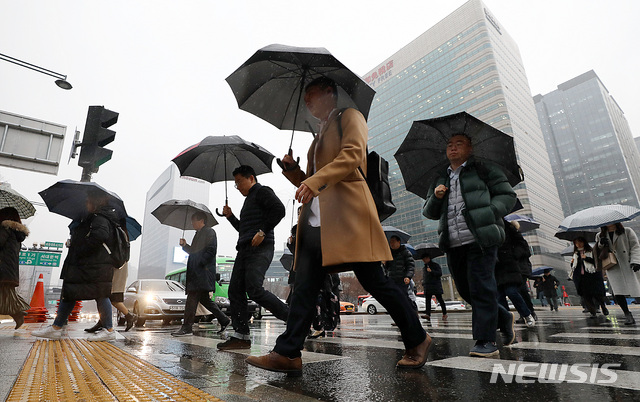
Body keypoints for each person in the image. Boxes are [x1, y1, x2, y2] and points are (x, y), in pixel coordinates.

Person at [246, 77, 430, 375]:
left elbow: (352, 156)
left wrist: (315, 179)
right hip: (318, 221)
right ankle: (288, 353)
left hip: (347, 216)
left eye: (312, 94)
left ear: (330, 93)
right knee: (304, 286)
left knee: (375, 282)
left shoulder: (350, 116)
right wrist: (294, 171)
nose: (307, 101)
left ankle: (418, 338)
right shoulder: (317, 134)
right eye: (305, 97)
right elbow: (312, 179)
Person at [423, 133, 517, 358]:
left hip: (481, 239)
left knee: (481, 286)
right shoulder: (441, 177)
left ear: (470, 148)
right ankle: (503, 316)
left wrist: (489, 212)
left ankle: (486, 341)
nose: (453, 148)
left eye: (459, 144)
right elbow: (429, 211)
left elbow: (508, 195)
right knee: (466, 290)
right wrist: (436, 197)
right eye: (449, 144)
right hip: (453, 242)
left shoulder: (484, 169)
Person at [33, 191, 119, 341]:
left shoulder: (100, 219)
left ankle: (108, 330)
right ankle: (57, 326)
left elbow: (98, 237)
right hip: (90, 265)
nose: (86, 204)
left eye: (88, 201)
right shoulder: (94, 218)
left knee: (100, 294)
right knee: (71, 292)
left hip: (94, 265)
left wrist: (78, 246)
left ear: (95, 203)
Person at [217, 165, 288, 349]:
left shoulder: (262, 191)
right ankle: (241, 336)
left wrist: (263, 231)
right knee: (234, 290)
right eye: (235, 183)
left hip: (261, 248)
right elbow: (244, 229)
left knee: (254, 288)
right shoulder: (248, 200)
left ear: (251, 178)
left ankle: (292, 318)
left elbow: (279, 210)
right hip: (245, 249)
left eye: (239, 181)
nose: (238, 186)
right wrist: (231, 216)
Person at [172, 211, 230, 336]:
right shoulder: (198, 234)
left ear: (201, 220)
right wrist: (185, 246)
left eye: (194, 221)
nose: (192, 223)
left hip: (201, 273)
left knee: (191, 300)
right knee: (205, 300)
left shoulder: (209, 232)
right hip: (197, 273)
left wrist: (200, 264)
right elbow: (194, 252)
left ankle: (187, 327)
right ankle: (224, 320)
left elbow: (211, 250)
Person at [594, 223, 640, 325]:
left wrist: (636, 261)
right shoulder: (599, 235)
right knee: (618, 292)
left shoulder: (627, 231)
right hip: (612, 266)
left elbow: (635, 246)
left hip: (628, 264)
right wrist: (601, 244)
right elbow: (597, 251)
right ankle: (627, 314)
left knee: (637, 289)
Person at [495, 220, 536, 328]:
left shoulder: (508, 227)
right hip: (496, 265)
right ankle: (506, 322)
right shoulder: (486, 227)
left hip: (510, 265)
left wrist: (512, 255)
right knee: (500, 296)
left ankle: (527, 314)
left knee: (512, 292)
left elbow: (523, 246)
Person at [84, 261, 138, 333]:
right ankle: (103, 321)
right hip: (114, 266)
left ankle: (128, 316)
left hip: (116, 266)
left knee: (109, 297)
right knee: (104, 296)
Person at [0, 207, 30, 329]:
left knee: (7, 295)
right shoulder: (17, 233)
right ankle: (17, 313)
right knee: (6, 295)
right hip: (9, 270)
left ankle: (18, 313)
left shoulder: (5, 228)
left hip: (2, 268)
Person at [570, 236, 608, 319]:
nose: (578, 244)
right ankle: (592, 312)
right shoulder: (575, 254)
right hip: (581, 278)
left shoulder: (591, 251)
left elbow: (597, 262)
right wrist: (572, 263)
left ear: (584, 242)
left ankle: (603, 306)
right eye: (576, 243)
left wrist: (586, 258)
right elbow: (574, 267)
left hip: (592, 276)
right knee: (586, 296)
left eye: (580, 242)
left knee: (597, 294)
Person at [384, 235, 416, 311]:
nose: (391, 244)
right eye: (390, 242)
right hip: (392, 280)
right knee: (395, 299)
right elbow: (387, 269)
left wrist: (408, 276)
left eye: (393, 241)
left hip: (403, 279)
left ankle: (414, 312)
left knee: (404, 297)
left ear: (399, 242)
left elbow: (411, 266)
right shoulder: (389, 254)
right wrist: (385, 263)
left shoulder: (405, 252)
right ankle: (400, 318)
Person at [421, 255, 447, 321]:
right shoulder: (424, 267)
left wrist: (431, 271)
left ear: (429, 258)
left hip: (435, 286)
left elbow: (439, 273)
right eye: (423, 259)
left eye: (425, 258)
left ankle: (444, 313)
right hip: (428, 286)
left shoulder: (435, 265)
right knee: (428, 301)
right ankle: (428, 314)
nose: (424, 260)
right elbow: (425, 277)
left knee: (440, 300)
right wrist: (423, 283)